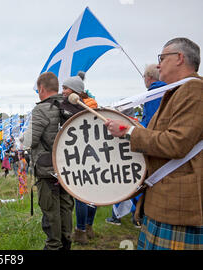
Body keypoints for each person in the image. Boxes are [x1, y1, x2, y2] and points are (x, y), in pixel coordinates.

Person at [105, 37, 202, 250]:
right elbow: (158, 136)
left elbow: (176, 144)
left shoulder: (194, 90)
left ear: (179, 58)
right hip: (164, 199)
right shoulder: (176, 91)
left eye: (162, 57)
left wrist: (128, 132)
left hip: (178, 204)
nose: (158, 64)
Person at [106, 64, 166, 228]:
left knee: (135, 181)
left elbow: (152, 125)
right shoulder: (165, 91)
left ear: (148, 77)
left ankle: (137, 216)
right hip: (156, 143)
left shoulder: (155, 94)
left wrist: (133, 131)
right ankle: (137, 216)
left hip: (152, 145)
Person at [22, 71, 74, 250]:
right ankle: (67, 241)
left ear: (41, 88)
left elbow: (30, 141)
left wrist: (22, 137)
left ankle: (53, 245)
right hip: (67, 168)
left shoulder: (42, 109)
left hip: (47, 169)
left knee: (50, 211)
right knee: (65, 207)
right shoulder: (69, 106)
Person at [61, 72, 99, 245]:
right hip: (88, 155)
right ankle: (87, 227)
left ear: (74, 90)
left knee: (82, 196)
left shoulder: (73, 108)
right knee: (90, 194)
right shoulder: (87, 106)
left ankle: (81, 230)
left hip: (79, 157)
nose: (62, 91)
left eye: (65, 88)